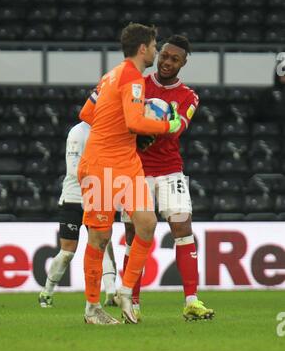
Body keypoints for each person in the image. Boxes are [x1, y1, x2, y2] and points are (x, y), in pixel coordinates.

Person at [78, 23, 182, 325]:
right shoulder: (131, 78)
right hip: (100, 165)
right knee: (99, 236)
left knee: (147, 223)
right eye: (154, 46)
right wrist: (168, 126)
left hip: (127, 164)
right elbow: (136, 121)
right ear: (142, 49)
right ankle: (92, 308)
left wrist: (116, 124)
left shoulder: (110, 76)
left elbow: (87, 113)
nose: (156, 51)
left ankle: (125, 291)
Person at [121, 35, 215, 321]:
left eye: (174, 59)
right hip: (135, 169)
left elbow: (176, 130)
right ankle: (131, 302)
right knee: (133, 236)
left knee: (183, 230)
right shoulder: (139, 83)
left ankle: (191, 301)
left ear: (183, 63)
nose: (166, 62)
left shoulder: (189, 95)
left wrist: (148, 125)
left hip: (170, 169)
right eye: (164, 56)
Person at [38, 119, 118, 308]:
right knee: (67, 252)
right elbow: (73, 169)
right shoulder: (78, 131)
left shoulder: (110, 128)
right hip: (74, 198)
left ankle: (111, 293)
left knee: (104, 245)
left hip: (98, 197)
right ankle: (46, 292)